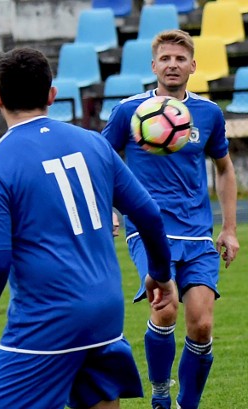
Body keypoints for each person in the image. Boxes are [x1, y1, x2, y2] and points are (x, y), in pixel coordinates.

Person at [0, 47, 176, 409]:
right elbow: (150, 215)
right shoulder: (93, 143)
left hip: (47, 319)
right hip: (105, 312)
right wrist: (160, 273)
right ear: (52, 95)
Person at [101, 29, 239, 409]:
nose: (172, 64)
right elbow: (100, 163)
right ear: (153, 66)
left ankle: (186, 404)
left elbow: (225, 170)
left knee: (202, 324)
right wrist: (110, 208)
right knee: (166, 307)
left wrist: (228, 229)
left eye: (180, 59)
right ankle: (160, 393)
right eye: (165, 58)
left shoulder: (208, 114)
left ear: (193, 66)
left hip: (197, 235)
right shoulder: (129, 111)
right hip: (147, 231)